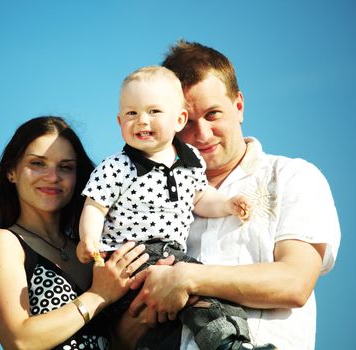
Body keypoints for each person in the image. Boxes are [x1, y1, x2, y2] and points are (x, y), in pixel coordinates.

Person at [124, 41, 341, 350]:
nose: (202, 135)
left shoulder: (292, 176)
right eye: (188, 121)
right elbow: (120, 335)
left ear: (238, 106)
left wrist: (186, 279)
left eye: (213, 114)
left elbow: (295, 282)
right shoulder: (146, 197)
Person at [77, 66, 275, 350]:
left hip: (170, 254)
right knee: (201, 288)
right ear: (119, 120)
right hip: (134, 254)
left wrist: (227, 204)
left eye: (154, 111)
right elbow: (95, 206)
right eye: (131, 113)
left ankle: (232, 343)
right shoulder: (117, 166)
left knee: (191, 306)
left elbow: (200, 198)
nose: (142, 120)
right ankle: (229, 345)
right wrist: (89, 239)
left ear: (179, 119)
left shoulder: (190, 160)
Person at [0, 116, 150, 350]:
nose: (52, 177)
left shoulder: (92, 249)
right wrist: (98, 296)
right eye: (37, 163)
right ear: (11, 171)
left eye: (65, 167)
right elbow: (19, 340)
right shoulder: (5, 243)